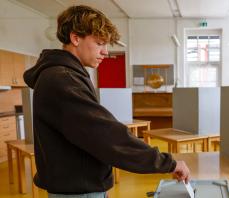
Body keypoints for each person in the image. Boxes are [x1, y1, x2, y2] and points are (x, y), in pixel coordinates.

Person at [23, 5, 190, 198]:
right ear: (75, 38)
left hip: (82, 187)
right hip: (79, 192)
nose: (105, 52)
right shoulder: (62, 79)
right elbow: (105, 134)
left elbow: (89, 135)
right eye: (100, 43)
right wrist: (168, 162)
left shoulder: (66, 75)